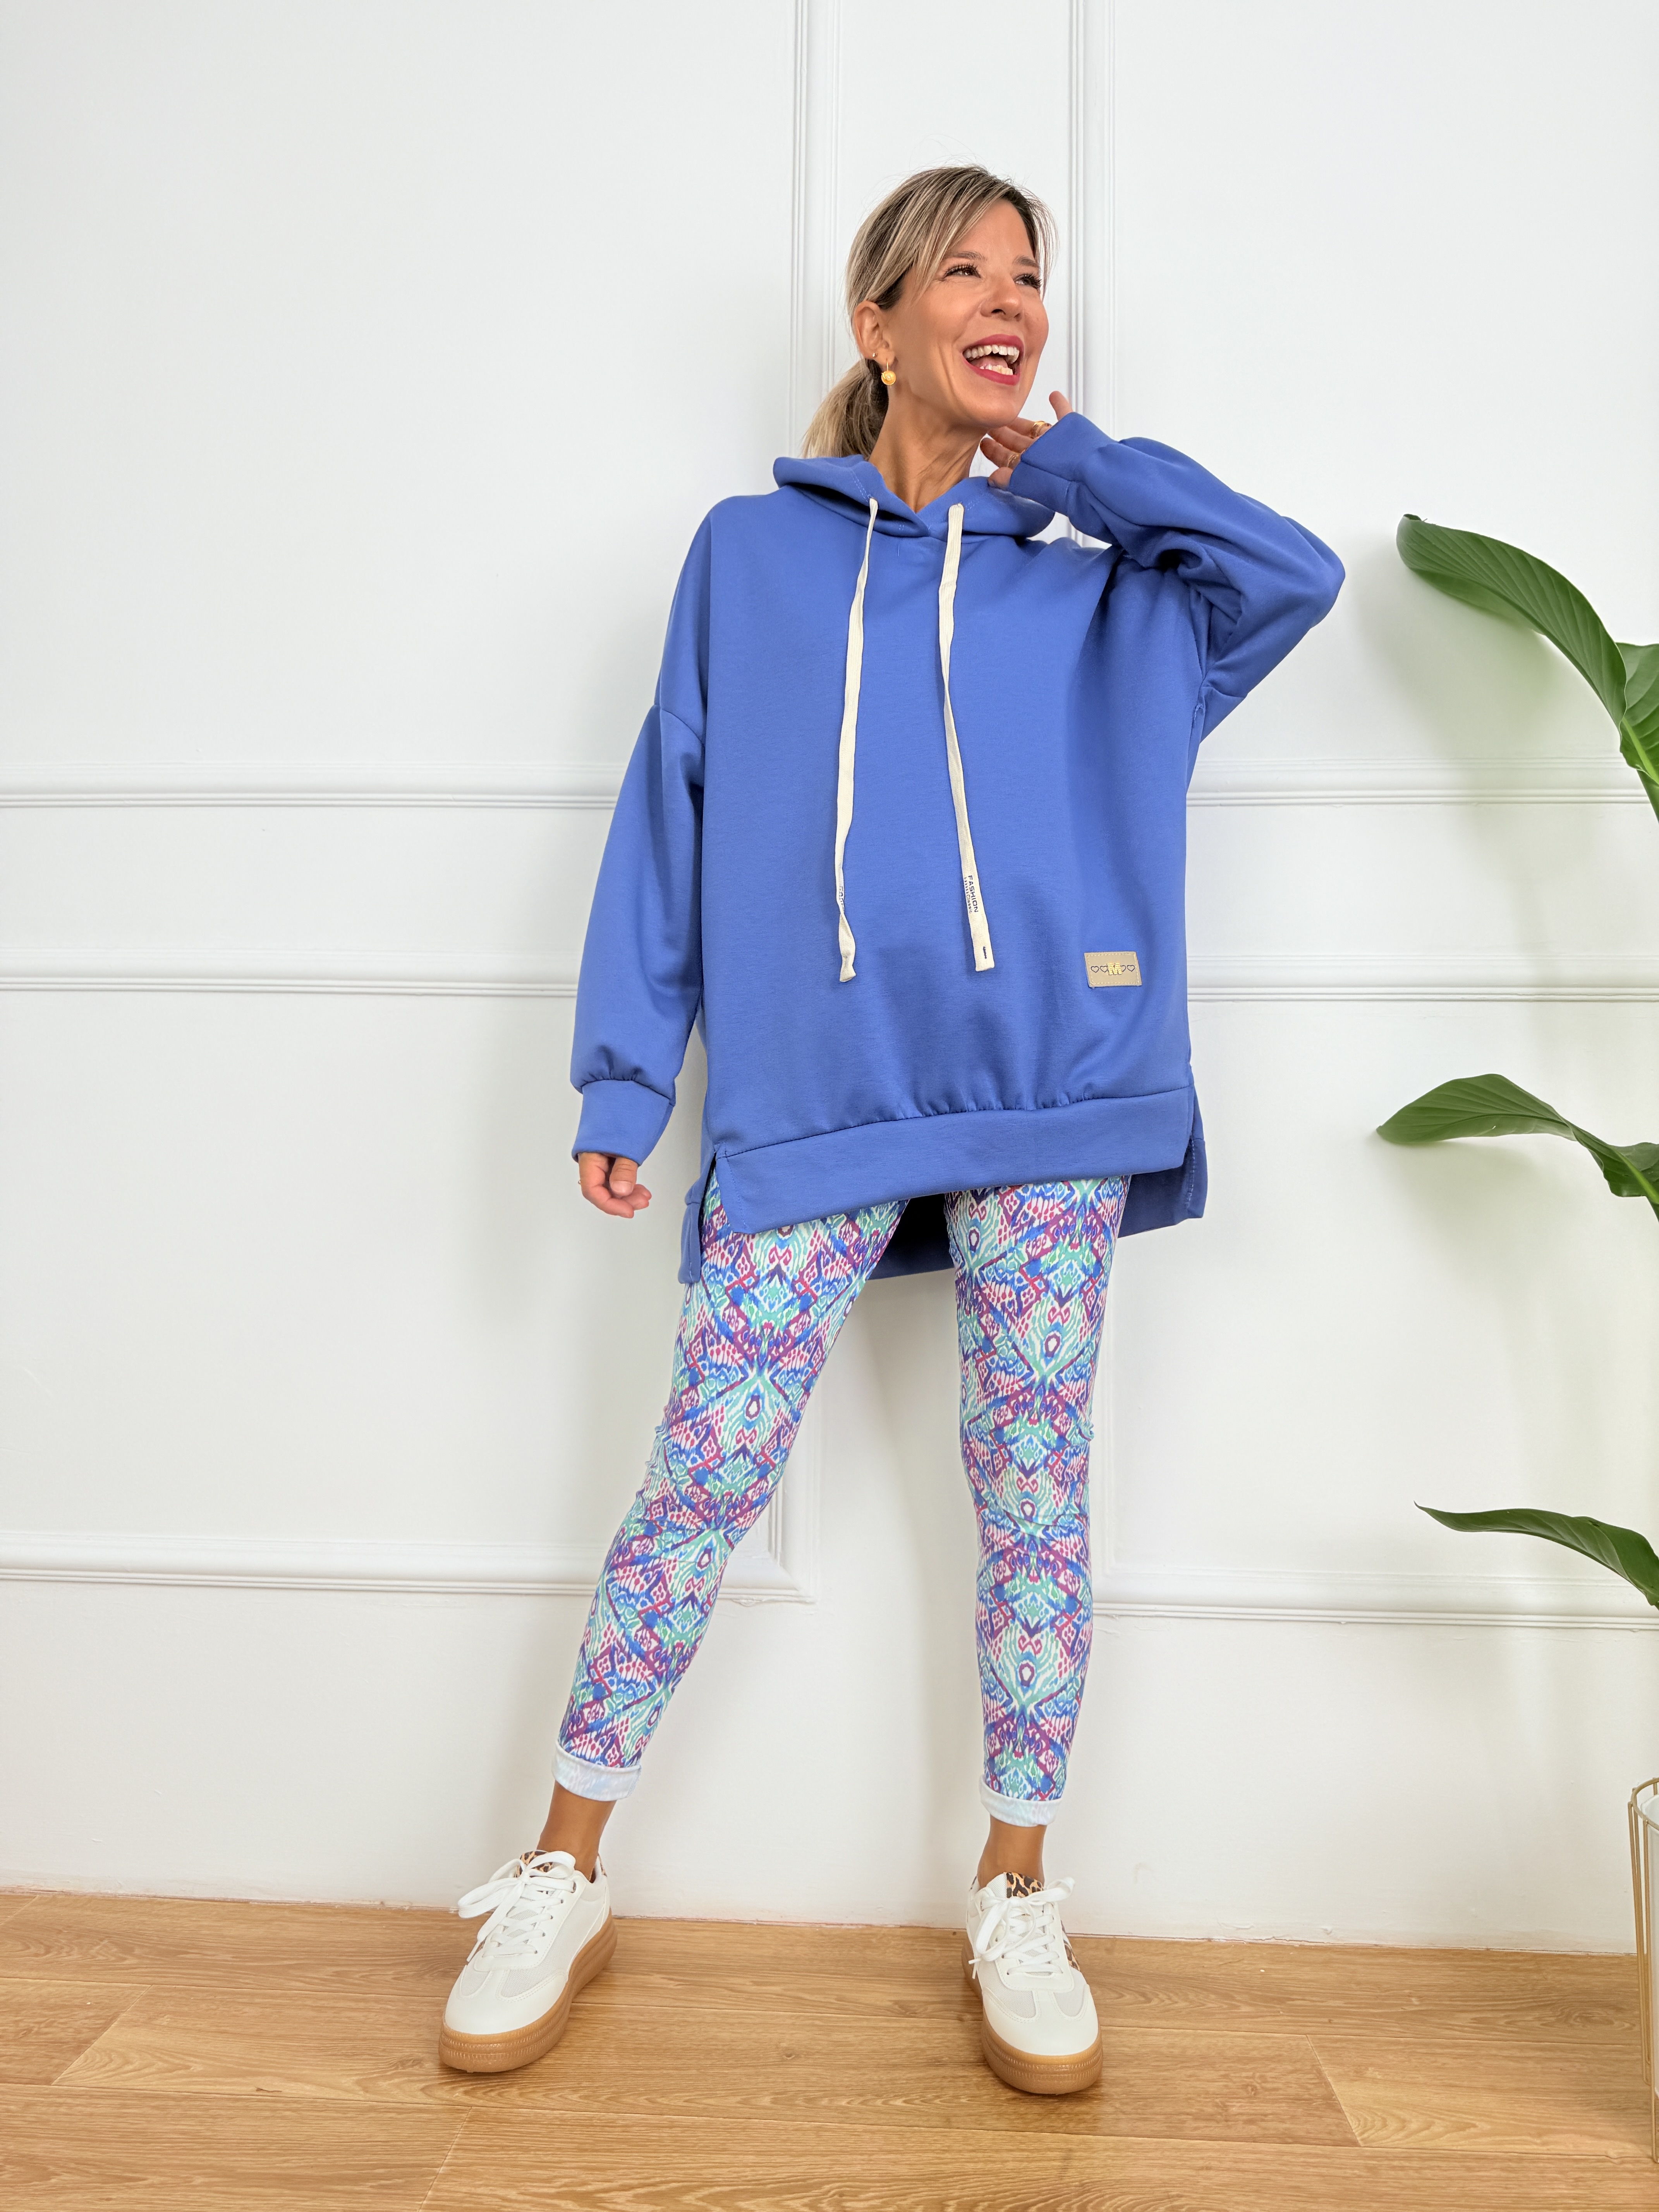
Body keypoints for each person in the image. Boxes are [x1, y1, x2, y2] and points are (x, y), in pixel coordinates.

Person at [438, 164, 1342, 2095]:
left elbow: (1295, 577)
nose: (1009, 299)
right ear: (879, 323)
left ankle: (1017, 1887)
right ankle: (563, 1866)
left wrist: (1072, 466)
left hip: (1053, 1091)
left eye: (1031, 274)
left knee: (1033, 1491)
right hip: (818, 1095)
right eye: (966, 272)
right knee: (703, 1471)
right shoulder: (748, 559)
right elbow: (672, 805)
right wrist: (627, 1072)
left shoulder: (1112, 595)